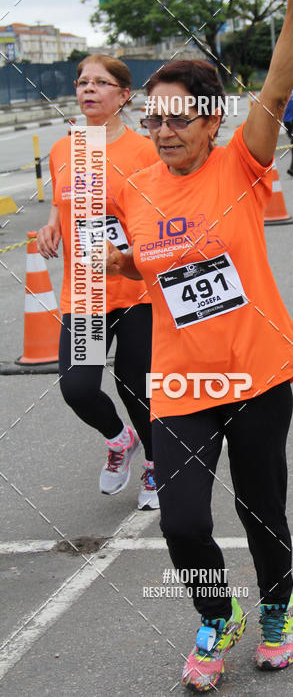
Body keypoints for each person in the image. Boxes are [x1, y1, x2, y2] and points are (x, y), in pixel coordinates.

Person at [105, 0, 293, 693]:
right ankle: (217, 614)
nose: (163, 130)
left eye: (180, 117)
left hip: (256, 369)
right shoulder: (136, 188)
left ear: (211, 120)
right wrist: (116, 261)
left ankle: (278, 607)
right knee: (182, 520)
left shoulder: (241, 163)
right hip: (180, 379)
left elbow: (277, 88)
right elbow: (152, 265)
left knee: (261, 509)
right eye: (154, 117)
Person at [36, 55, 159, 509]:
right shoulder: (63, 150)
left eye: (100, 83)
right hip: (86, 292)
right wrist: (53, 225)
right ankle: (120, 438)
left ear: (123, 95)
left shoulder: (145, 151)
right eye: (82, 82)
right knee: (79, 388)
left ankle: (156, 465)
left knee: (135, 384)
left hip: (136, 289)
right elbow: (62, 201)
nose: (88, 89)